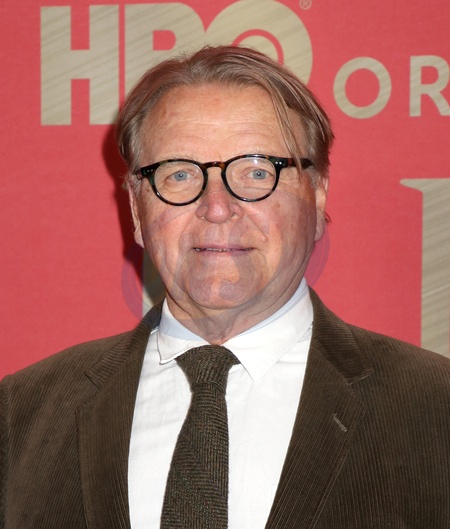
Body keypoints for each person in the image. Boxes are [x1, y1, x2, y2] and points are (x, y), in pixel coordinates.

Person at [1, 45, 450, 529]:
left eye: (257, 171)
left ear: (318, 195)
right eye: (179, 174)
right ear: (136, 210)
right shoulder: (18, 417)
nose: (217, 207)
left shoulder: (435, 408)